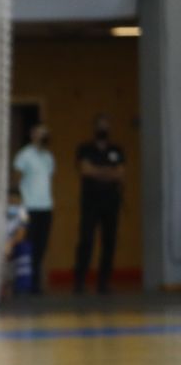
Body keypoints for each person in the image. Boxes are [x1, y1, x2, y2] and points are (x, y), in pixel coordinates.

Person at [73, 113, 126, 294]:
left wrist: (97, 171)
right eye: (100, 125)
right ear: (95, 127)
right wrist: (108, 172)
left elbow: (120, 173)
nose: (103, 128)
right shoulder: (85, 148)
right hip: (90, 202)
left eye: (106, 125)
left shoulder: (116, 149)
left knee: (109, 241)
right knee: (86, 240)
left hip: (111, 202)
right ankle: (79, 282)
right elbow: (85, 170)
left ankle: (103, 283)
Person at [11, 123, 55, 294]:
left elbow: (47, 178)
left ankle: (36, 282)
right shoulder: (24, 155)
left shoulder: (49, 157)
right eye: (40, 132)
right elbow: (17, 179)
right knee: (27, 243)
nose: (43, 135)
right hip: (29, 206)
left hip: (46, 206)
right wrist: (18, 203)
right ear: (32, 134)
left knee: (41, 246)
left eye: (45, 132)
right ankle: (24, 281)